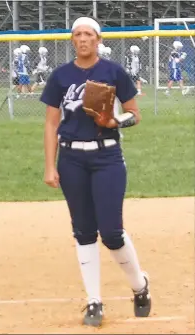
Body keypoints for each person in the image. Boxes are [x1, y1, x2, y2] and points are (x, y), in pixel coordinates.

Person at [40, 16, 151, 327]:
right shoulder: (60, 76)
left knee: (112, 232)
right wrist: (50, 165)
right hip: (72, 159)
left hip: (107, 157)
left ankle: (140, 286)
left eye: (88, 33)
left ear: (98, 39)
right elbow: (51, 123)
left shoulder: (113, 71)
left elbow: (134, 114)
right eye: (77, 34)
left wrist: (114, 122)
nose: (83, 39)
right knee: (84, 231)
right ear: (72, 41)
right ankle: (94, 301)